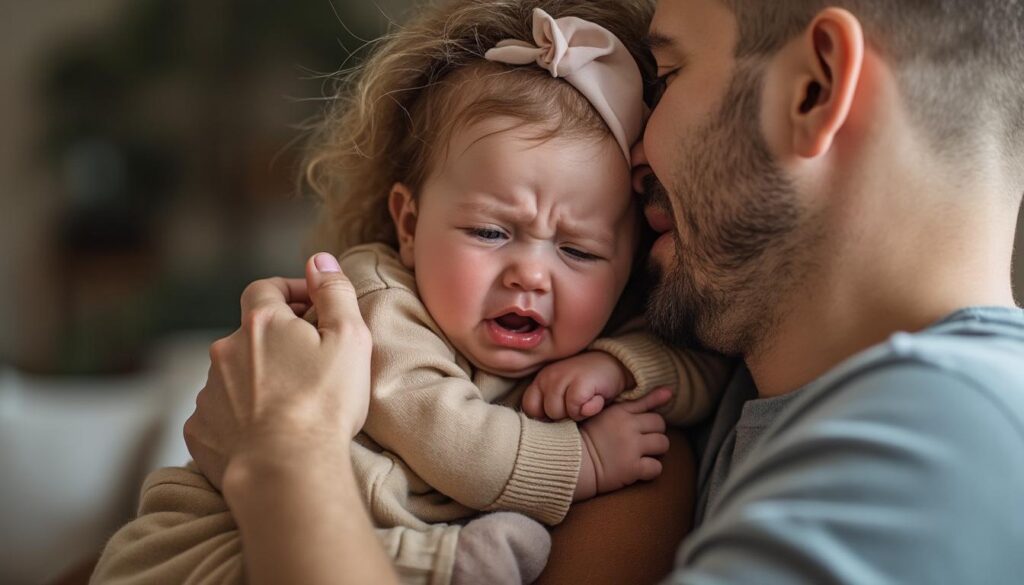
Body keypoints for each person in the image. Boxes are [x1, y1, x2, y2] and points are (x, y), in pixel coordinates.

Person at [100, 0, 1024, 582]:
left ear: (816, 88)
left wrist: (284, 456)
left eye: (667, 72)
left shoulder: (944, 439)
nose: (636, 145)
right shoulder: (757, 393)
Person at [90, 1, 731, 584]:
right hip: (205, 545)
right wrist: (580, 458)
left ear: (628, 268)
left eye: (578, 251)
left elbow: (693, 379)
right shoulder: (375, 300)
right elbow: (448, 439)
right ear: (410, 223)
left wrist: (620, 366)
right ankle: (443, 564)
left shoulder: (596, 335)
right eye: (489, 230)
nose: (531, 275)